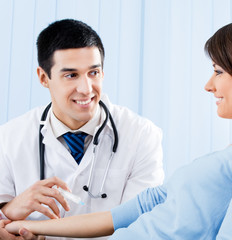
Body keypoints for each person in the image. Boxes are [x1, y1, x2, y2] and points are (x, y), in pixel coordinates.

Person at [4, 16, 232, 239]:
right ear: (44, 78)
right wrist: (20, 225)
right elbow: (117, 217)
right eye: (71, 75)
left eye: (218, 71)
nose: (208, 85)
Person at [0, 19, 164, 240]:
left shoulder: (142, 135)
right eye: (71, 75)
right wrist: (9, 211)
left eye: (93, 73)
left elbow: (140, 224)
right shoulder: (9, 138)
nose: (86, 89)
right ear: (43, 77)